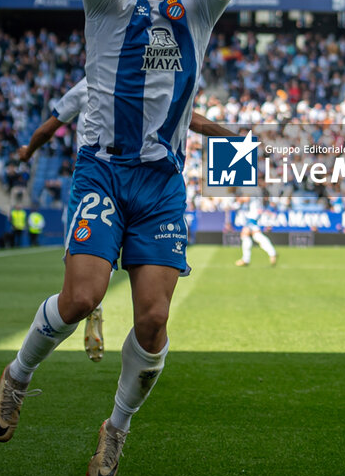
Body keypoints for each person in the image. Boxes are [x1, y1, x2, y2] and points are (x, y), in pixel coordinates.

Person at [0, 0, 262, 476]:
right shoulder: (108, 0)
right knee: (81, 297)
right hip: (103, 173)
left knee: (154, 320)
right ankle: (19, 375)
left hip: (162, 184)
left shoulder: (197, 6)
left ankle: (117, 428)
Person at [17, 76, 235, 363]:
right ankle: (89, 303)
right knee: (85, 286)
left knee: (117, 283)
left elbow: (49, 128)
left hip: (130, 183)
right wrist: (232, 137)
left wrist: (27, 151)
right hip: (98, 178)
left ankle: (94, 301)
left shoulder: (131, 83)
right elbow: (49, 128)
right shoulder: (93, 84)